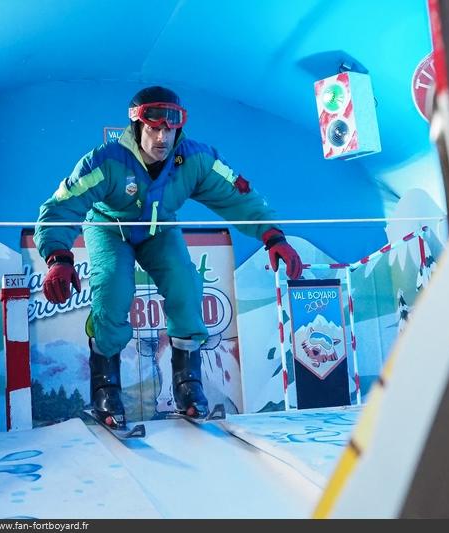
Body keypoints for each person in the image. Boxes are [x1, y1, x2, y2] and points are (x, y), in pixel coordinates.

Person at [34, 86, 302, 429]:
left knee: (185, 283)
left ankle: (187, 385)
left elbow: (237, 194)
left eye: (169, 129)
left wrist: (271, 234)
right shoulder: (106, 161)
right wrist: (58, 256)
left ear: (178, 127)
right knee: (113, 288)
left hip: (159, 230)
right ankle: (106, 387)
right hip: (108, 230)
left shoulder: (194, 159)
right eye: (153, 129)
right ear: (136, 127)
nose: (162, 138)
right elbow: (60, 206)